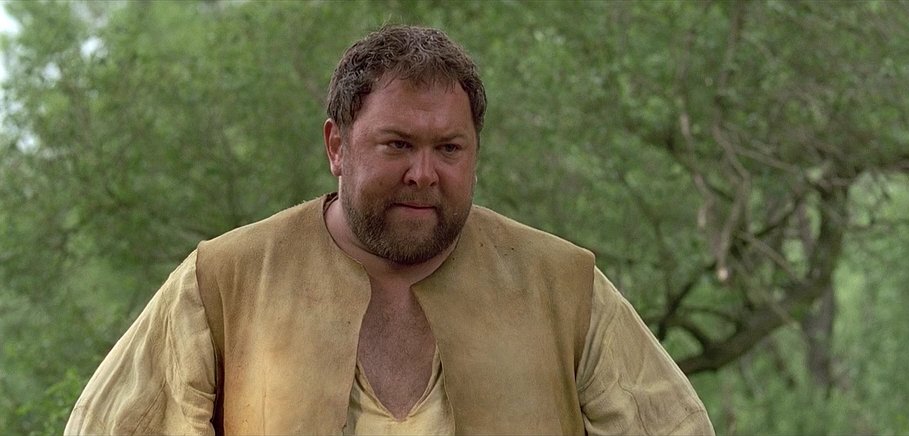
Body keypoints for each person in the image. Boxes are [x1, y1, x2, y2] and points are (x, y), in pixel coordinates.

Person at [65, 25, 713, 435]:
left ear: (475, 153)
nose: (423, 174)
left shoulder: (565, 286)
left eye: (449, 149)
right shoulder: (224, 280)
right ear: (337, 146)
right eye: (397, 144)